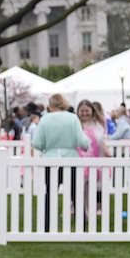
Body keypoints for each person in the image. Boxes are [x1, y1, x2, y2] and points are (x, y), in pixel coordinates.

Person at [31, 93, 89, 231]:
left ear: (50, 105)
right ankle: (81, 226)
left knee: (50, 194)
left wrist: (47, 146)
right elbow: (83, 142)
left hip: (50, 160)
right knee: (76, 194)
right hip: (71, 160)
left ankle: (47, 226)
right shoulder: (73, 118)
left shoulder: (44, 119)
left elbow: (37, 143)